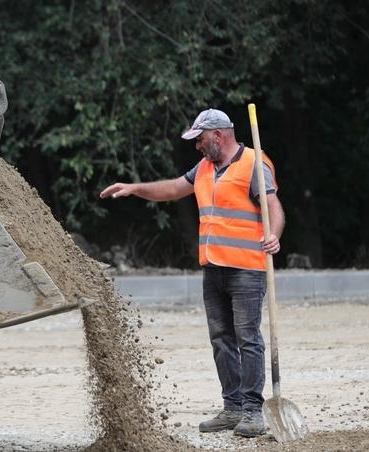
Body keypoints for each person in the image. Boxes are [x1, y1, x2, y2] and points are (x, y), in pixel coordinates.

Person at [100, 108, 284, 437]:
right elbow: (172, 189)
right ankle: (232, 408)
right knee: (222, 341)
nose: (197, 146)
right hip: (213, 268)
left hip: (246, 269)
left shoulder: (254, 164)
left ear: (218, 135)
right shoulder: (204, 167)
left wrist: (275, 235)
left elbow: (273, 207)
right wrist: (134, 188)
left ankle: (253, 412)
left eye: (200, 139)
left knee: (248, 340)